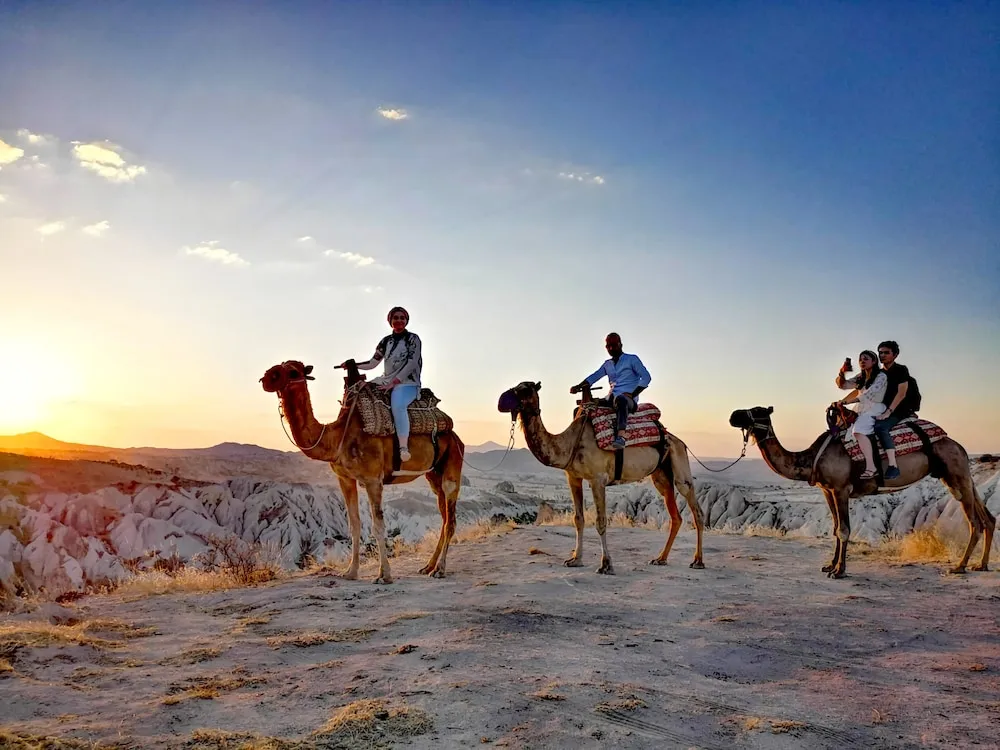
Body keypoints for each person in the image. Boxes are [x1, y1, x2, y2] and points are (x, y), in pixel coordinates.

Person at [345, 306, 422, 462]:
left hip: (407, 382)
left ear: (406, 320)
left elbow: (412, 363)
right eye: (396, 318)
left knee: (398, 405)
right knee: (358, 392)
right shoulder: (386, 341)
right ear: (390, 321)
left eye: (402, 318)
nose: (399, 320)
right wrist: (353, 365)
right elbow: (373, 363)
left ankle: (403, 447)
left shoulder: (413, 339)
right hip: (386, 379)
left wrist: (394, 382)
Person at [570, 332, 651, 450]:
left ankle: (621, 437)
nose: (611, 349)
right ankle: (577, 441)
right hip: (610, 399)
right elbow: (594, 377)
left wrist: (632, 394)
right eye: (609, 346)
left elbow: (646, 378)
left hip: (627, 401)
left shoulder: (631, 359)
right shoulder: (607, 364)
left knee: (621, 399)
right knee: (583, 408)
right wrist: (578, 386)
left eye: (614, 345)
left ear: (620, 345)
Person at [833, 350, 887, 479]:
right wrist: (842, 371)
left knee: (858, 431)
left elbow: (869, 394)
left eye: (866, 359)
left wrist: (846, 402)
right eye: (860, 359)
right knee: (840, 426)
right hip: (862, 408)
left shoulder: (881, 376)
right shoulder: (861, 376)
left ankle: (871, 467)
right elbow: (843, 385)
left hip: (875, 407)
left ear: (874, 361)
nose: (862, 361)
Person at [873, 340, 916, 480]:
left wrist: (888, 412)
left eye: (886, 352)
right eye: (880, 352)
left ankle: (893, 466)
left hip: (898, 409)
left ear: (895, 355)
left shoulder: (901, 370)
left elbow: (901, 393)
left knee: (880, 427)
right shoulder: (878, 373)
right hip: (880, 408)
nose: (882, 355)